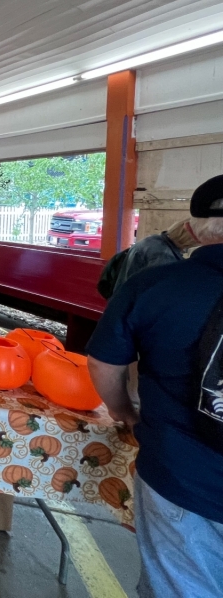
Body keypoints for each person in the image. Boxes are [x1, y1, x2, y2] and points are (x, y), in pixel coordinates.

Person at [87, 174, 223, 598]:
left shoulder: (158, 285)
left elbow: (104, 362)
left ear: (198, 227)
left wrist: (122, 409)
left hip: (184, 476)